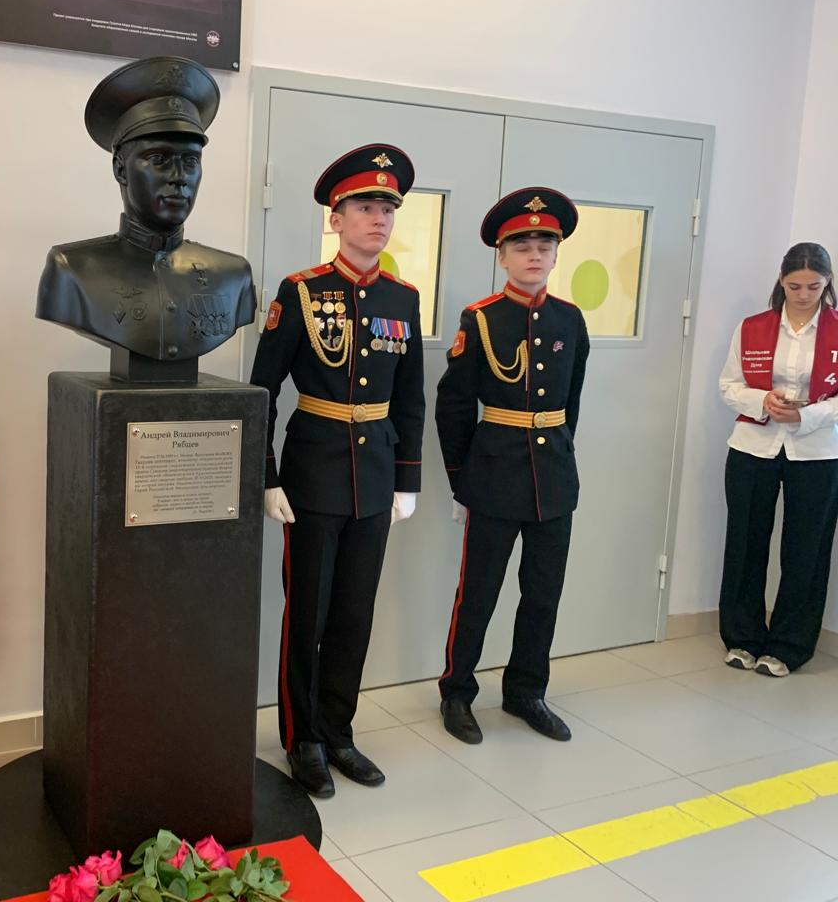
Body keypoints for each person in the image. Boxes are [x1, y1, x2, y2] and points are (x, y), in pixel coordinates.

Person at [249, 144, 424, 798]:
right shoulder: (301, 292)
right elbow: (263, 390)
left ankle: (339, 732)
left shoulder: (403, 299)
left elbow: (410, 398)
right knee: (309, 614)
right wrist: (266, 475)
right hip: (313, 477)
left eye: (387, 208)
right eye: (365, 207)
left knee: (355, 613)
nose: (378, 219)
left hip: (374, 477)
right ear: (337, 217)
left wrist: (407, 479)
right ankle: (302, 739)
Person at [436, 187, 589, 745]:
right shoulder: (481, 319)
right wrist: (461, 483)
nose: (534, 254)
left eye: (544, 245)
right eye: (521, 245)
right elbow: (454, 407)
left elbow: (572, 402)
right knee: (478, 593)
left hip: (554, 480)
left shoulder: (570, 319)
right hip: (494, 477)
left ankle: (527, 691)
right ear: (502, 256)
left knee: (543, 593)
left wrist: (560, 455)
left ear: (556, 253)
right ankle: (457, 691)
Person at [36, 56, 256, 374]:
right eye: (159, 159)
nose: (179, 177)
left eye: (191, 161)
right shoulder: (72, 269)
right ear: (120, 169)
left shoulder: (234, 275)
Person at [717, 242, 838, 678]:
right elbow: (729, 385)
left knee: (807, 548)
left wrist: (807, 416)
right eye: (794, 286)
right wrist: (762, 401)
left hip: (818, 451)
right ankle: (742, 638)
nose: (804, 295)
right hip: (754, 445)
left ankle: (789, 646)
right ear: (781, 281)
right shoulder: (753, 327)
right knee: (745, 542)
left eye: (814, 286)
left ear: (827, 283)